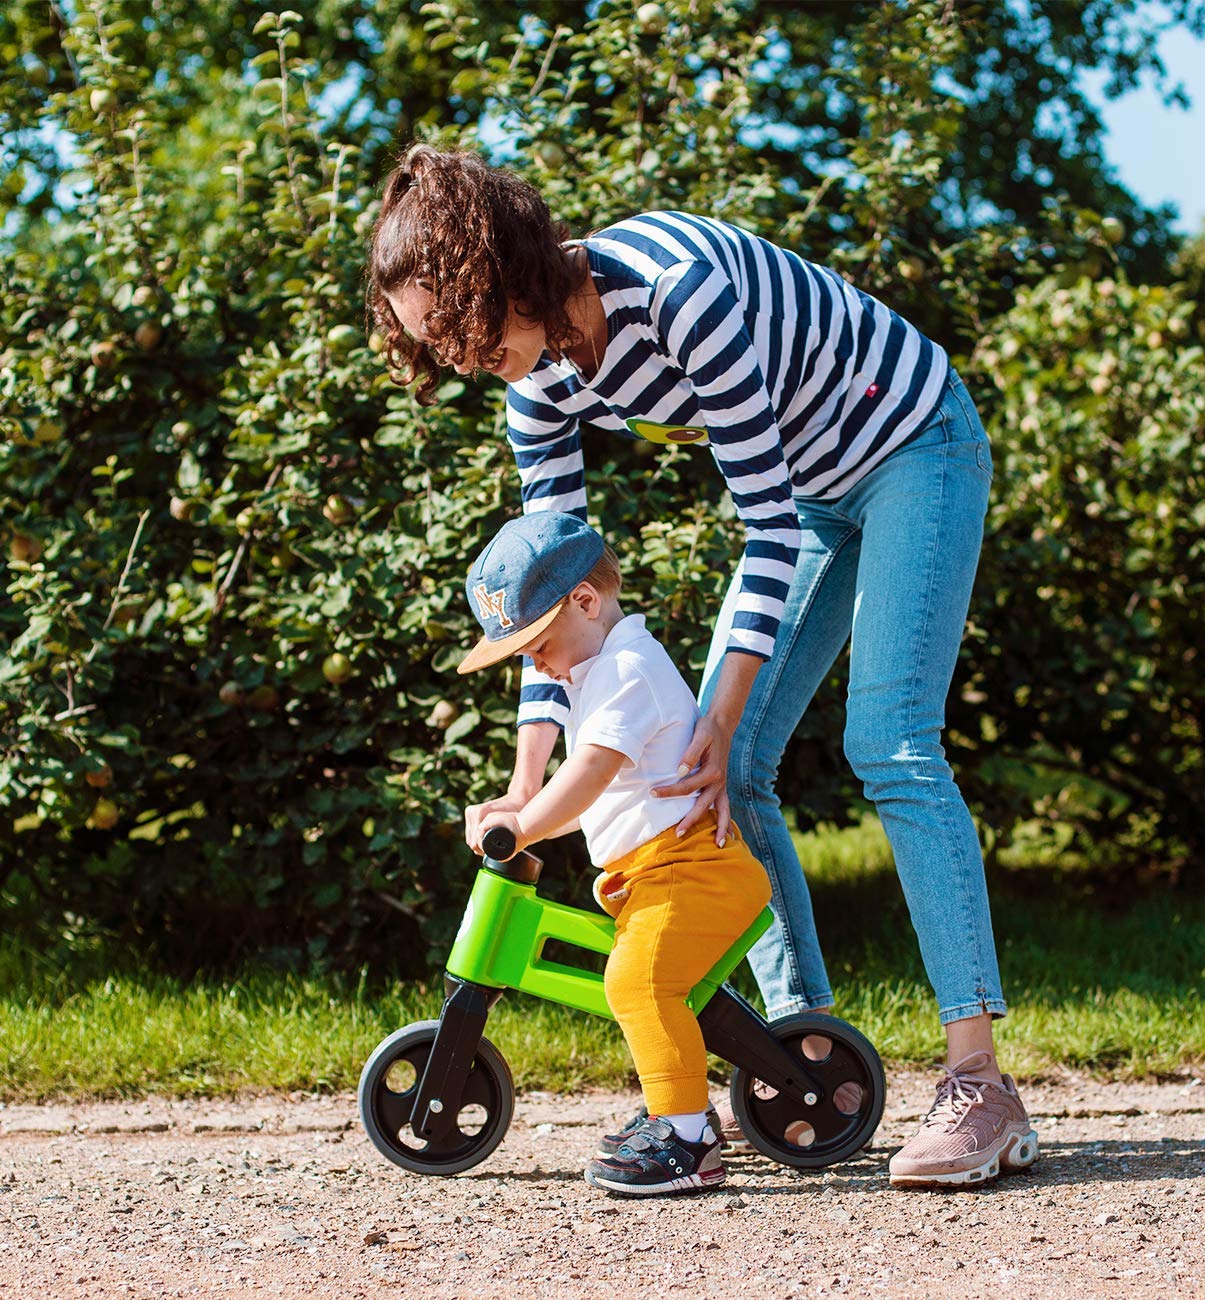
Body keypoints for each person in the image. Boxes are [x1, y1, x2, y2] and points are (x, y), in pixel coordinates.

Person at [368, 145, 1038, 1188]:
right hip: (815, 490)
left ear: (505, 274)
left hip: (912, 441)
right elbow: (554, 596)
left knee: (887, 740)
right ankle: (794, 1055)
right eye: (432, 346)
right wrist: (526, 778)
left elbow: (761, 526)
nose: (456, 358)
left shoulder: (679, 297)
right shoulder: (534, 381)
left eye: (460, 329)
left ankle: (979, 1085)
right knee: (725, 768)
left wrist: (718, 717)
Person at [457, 510, 772, 1196]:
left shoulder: (629, 668)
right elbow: (599, 796)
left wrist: (525, 827)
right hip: (662, 873)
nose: (530, 660)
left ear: (585, 602)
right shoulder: (598, 671)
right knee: (648, 982)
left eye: (536, 643)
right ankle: (677, 1104)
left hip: (693, 872)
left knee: (637, 983)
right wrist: (521, 804)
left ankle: (688, 1138)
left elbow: (591, 775)